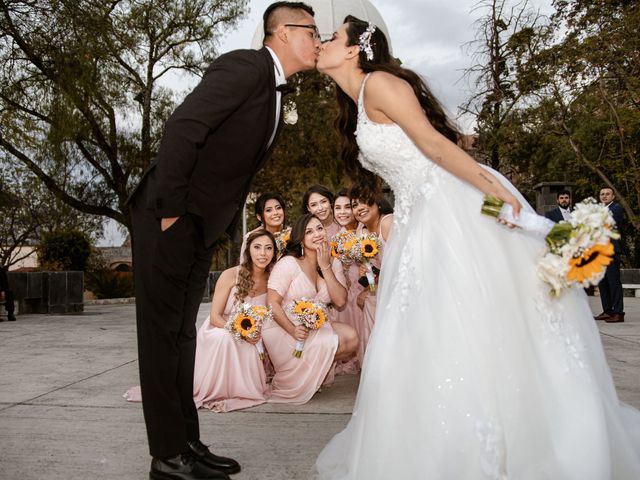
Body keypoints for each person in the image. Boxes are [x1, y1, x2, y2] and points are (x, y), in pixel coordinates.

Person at [312, 16, 640, 479]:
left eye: (331, 36)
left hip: (454, 206)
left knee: (475, 317)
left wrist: (504, 199)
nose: (321, 42)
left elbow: (436, 148)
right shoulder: (356, 100)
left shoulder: (381, 83)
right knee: (429, 330)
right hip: (418, 219)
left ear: (353, 50)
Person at [126, 2, 321, 479]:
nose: (318, 40)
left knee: (182, 335)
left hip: (197, 227)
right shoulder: (246, 66)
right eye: (312, 31)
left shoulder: (275, 89)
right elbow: (185, 127)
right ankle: (166, 457)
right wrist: (172, 212)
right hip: (168, 218)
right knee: (160, 338)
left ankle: (186, 443)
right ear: (281, 32)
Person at [263, 214, 358, 403]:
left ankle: (311, 373)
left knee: (352, 338)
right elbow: (272, 303)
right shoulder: (289, 263)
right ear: (301, 239)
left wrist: (326, 266)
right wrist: (292, 330)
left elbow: (339, 301)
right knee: (341, 338)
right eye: (309, 231)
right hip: (282, 327)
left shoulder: (333, 262)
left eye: (320, 228)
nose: (317, 234)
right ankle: (295, 376)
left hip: (312, 326)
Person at [192, 230, 276, 411]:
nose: (263, 253)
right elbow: (215, 316)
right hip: (220, 327)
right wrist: (239, 332)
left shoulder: (273, 279)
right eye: (257, 247)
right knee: (226, 338)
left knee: (251, 344)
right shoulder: (231, 275)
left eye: (268, 248)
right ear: (248, 251)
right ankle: (217, 390)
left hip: (254, 331)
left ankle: (241, 389)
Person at [351, 192, 393, 366]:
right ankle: (374, 364)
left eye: (364, 202)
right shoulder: (361, 230)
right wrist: (367, 276)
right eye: (354, 205)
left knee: (373, 300)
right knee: (368, 299)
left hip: (398, 285)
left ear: (378, 203)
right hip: (380, 285)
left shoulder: (388, 223)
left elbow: (401, 266)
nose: (359, 208)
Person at [332, 189, 362, 374]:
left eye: (347, 207)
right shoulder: (335, 238)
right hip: (344, 292)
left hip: (363, 289)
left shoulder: (363, 233)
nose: (342, 212)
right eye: (337, 208)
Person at [594, 186, 625, 323]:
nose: (604, 196)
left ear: (613, 196)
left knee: (613, 283)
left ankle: (618, 312)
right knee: (603, 283)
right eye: (602, 194)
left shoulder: (616, 208)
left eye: (607, 194)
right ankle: (607, 310)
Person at [239, 192, 289, 259]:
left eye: (278, 208)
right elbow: (244, 266)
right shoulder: (251, 238)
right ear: (259, 217)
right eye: (268, 210)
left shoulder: (293, 234)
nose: (275, 213)